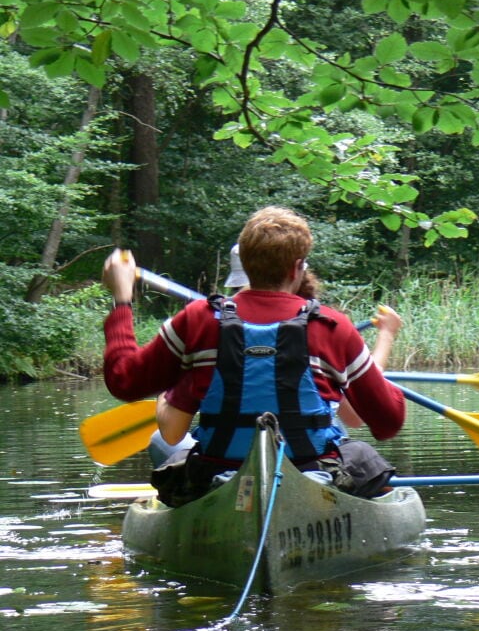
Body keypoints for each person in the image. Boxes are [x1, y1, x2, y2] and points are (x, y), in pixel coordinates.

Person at [102, 205, 406, 505]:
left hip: (217, 472)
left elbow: (123, 381)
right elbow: (388, 423)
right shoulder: (332, 325)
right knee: (363, 457)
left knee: (175, 457)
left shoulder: (197, 319)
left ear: (245, 263)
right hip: (313, 471)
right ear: (298, 267)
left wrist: (122, 299)